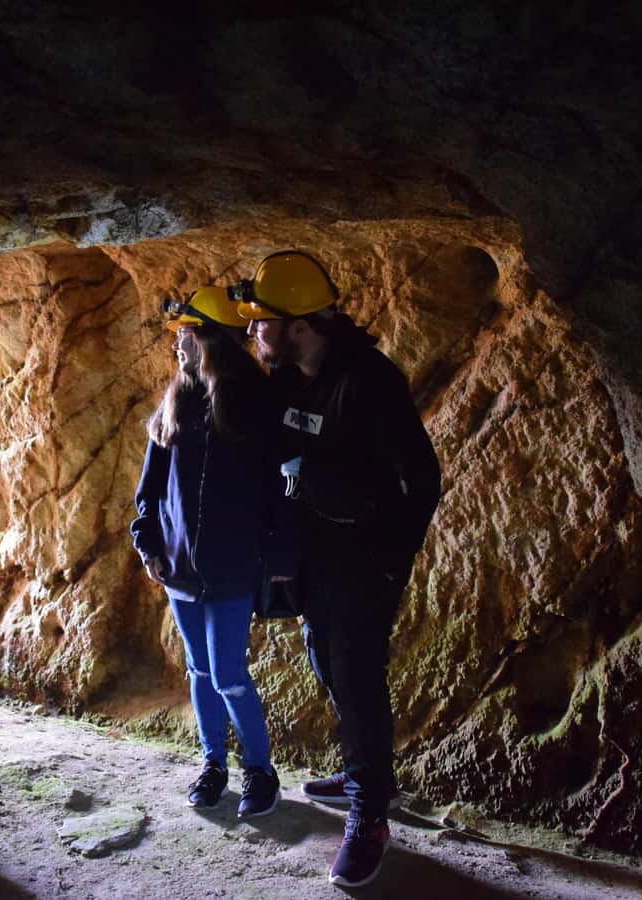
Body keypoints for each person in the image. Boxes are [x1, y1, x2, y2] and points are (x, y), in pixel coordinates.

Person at [229, 251, 441, 887]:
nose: (252, 333)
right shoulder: (294, 380)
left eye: (261, 322)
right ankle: (363, 771)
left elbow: (421, 478)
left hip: (362, 562)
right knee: (326, 661)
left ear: (297, 325)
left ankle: (370, 810)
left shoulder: (368, 381)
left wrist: (388, 562)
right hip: (315, 560)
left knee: (356, 675)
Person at [130, 286, 282, 818]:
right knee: (199, 672)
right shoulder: (175, 404)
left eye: (188, 335)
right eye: (177, 335)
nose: (178, 345)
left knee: (228, 675)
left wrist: (267, 557)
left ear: (213, 340)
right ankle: (213, 764)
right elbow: (148, 491)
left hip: (233, 570)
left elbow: (273, 491)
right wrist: (148, 542)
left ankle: (261, 772)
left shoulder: (253, 406)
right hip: (180, 572)